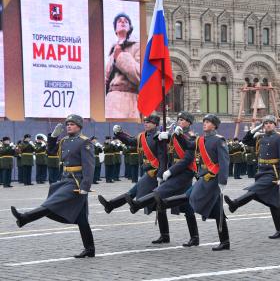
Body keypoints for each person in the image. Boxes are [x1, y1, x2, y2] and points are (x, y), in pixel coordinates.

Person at [11, 114, 96, 258]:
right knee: (81, 218)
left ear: (79, 126)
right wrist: (53, 137)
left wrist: (85, 186)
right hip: (65, 179)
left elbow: (89, 166)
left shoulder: (84, 142)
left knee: (52, 203)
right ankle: (90, 249)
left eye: (72, 124)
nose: (69, 126)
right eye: (67, 124)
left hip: (76, 182)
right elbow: (50, 151)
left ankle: (25, 218)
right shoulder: (64, 140)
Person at [153, 114, 230, 251]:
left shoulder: (219, 140)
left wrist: (222, 181)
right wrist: (179, 136)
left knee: (190, 195)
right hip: (204, 177)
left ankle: (165, 203)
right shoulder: (200, 139)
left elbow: (224, 162)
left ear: (215, 125)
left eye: (208, 122)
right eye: (204, 121)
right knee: (217, 210)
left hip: (212, 179)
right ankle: (225, 241)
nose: (205, 124)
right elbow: (188, 145)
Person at [130, 111, 199, 246]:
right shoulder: (175, 135)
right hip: (173, 172)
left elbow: (186, 160)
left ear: (189, 123)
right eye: (179, 119)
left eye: (183, 120)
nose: (180, 121)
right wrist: (164, 137)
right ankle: (165, 235)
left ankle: (138, 204)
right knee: (175, 204)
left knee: (164, 196)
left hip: (183, 173)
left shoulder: (191, 138)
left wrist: (170, 171)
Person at [98, 115, 167, 243]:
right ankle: (165, 235)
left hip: (155, 173)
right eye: (145, 122)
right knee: (156, 202)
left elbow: (163, 158)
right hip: (148, 172)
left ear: (156, 124)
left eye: (149, 122)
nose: (146, 124)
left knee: (140, 195)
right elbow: (130, 141)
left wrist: (161, 175)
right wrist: (118, 133)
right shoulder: (142, 136)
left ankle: (112, 205)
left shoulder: (160, 137)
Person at [225, 115, 280, 239]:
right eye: (265, 123)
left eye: (271, 123)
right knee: (273, 203)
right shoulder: (260, 137)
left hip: (272, 172)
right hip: (261, 172)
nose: (268, 125)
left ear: (275, 125)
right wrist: (256, 129)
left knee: (255, 190)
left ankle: (235, 204)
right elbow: (245, 140)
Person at [105, 13, 141, 118]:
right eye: (119, 21)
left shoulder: (137, 46)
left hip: (129, 99)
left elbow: (139, 75)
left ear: (130, 27)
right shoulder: (112, 51)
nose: (122, 22)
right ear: (115, 29)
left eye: (126, 21)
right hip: (110, 101)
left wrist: (120, 57)